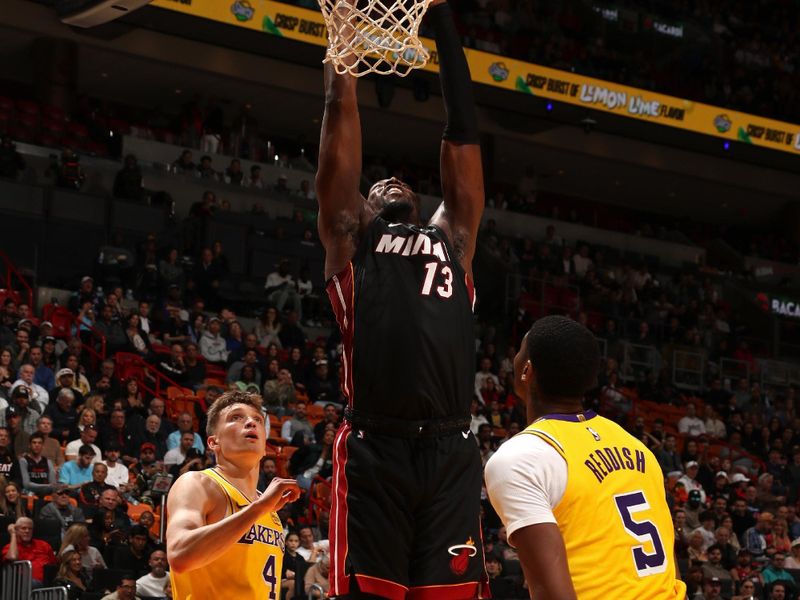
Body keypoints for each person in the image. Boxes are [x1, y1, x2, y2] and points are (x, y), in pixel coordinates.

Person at [315, 1, 486, 595]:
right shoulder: (351, 237)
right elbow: (341, 125)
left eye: (401, 182)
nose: (388, 181)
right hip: (374, 448)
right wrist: (344, 55)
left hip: (452, 447)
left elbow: (463, 136)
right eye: (377, 183)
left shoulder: (453, 238)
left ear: (423, 202)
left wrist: (442, 23)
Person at [484, 316, 685, 599]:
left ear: (526, 370)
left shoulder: (520, 458)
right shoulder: (637, 447)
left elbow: (550, 593)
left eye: (519, 351)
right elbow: (668, 556)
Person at [166, 391, 300, 599]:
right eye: (236, 417)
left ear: (265, 447)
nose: (250, 422)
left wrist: (261, 506)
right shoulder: (197, 483)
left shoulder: (269, 509)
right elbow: (179, 555)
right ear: (213, 442)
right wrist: (259, 508)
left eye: (257, 419)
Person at [2, 516, 57, 587]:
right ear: (16, 530)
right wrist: (13, 534)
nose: (27, 531)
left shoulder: (44, 545)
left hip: (48, 583)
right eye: (23, 528)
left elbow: (53, 565)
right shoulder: (10, 548)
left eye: (30, 529)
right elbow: (13, 557)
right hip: (23, 586)